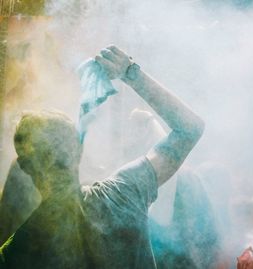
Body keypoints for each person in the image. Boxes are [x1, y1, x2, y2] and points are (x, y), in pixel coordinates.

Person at [0, 45, 204, 269]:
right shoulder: (123, 194)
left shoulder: (16, 253)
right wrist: (131, 73)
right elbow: (190, 129)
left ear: (25, 165)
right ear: (78, 150)